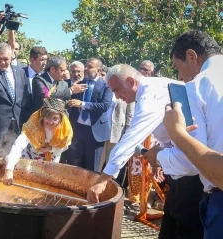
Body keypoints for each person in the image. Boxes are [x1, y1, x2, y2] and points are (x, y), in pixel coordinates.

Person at [87, 64, 206, 238]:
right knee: (170, 223)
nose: (117, 97)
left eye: (117, 90)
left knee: (184, 228)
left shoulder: (151, 93)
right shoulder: (149, 90)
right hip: (181, 168)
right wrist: (161, 150)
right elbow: (172, 131)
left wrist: (103, 180)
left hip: (193, 171)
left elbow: (131, 138)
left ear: (130, 81)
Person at [147, 29, 223, 239]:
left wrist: (158, 156)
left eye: (178, 68)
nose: (179, 76)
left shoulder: (197, 86)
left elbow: (188, 162)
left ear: (191, 56)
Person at [2, 97, 73, 185]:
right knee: (24, 180)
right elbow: (18, 145)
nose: (50, 122)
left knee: (46, 184)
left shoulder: (65, 129)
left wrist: (51, 148)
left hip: (53, 157)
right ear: (42, 116)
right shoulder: (34, 123)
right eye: (47, 117)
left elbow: (65, 146)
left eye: (55, 119)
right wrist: (9, 169)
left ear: (60, 119)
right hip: (31, 155)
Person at [66, 58, 113, 171]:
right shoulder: (80, 84)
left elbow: (104, 106)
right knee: (75, 164)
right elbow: (70, 102)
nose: (86, 69)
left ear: (98, 70)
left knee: (92, 166)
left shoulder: (106, 86)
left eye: (90, 67)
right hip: (78, 129)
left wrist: (82, 104)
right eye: (86, 66)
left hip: (95, 132)